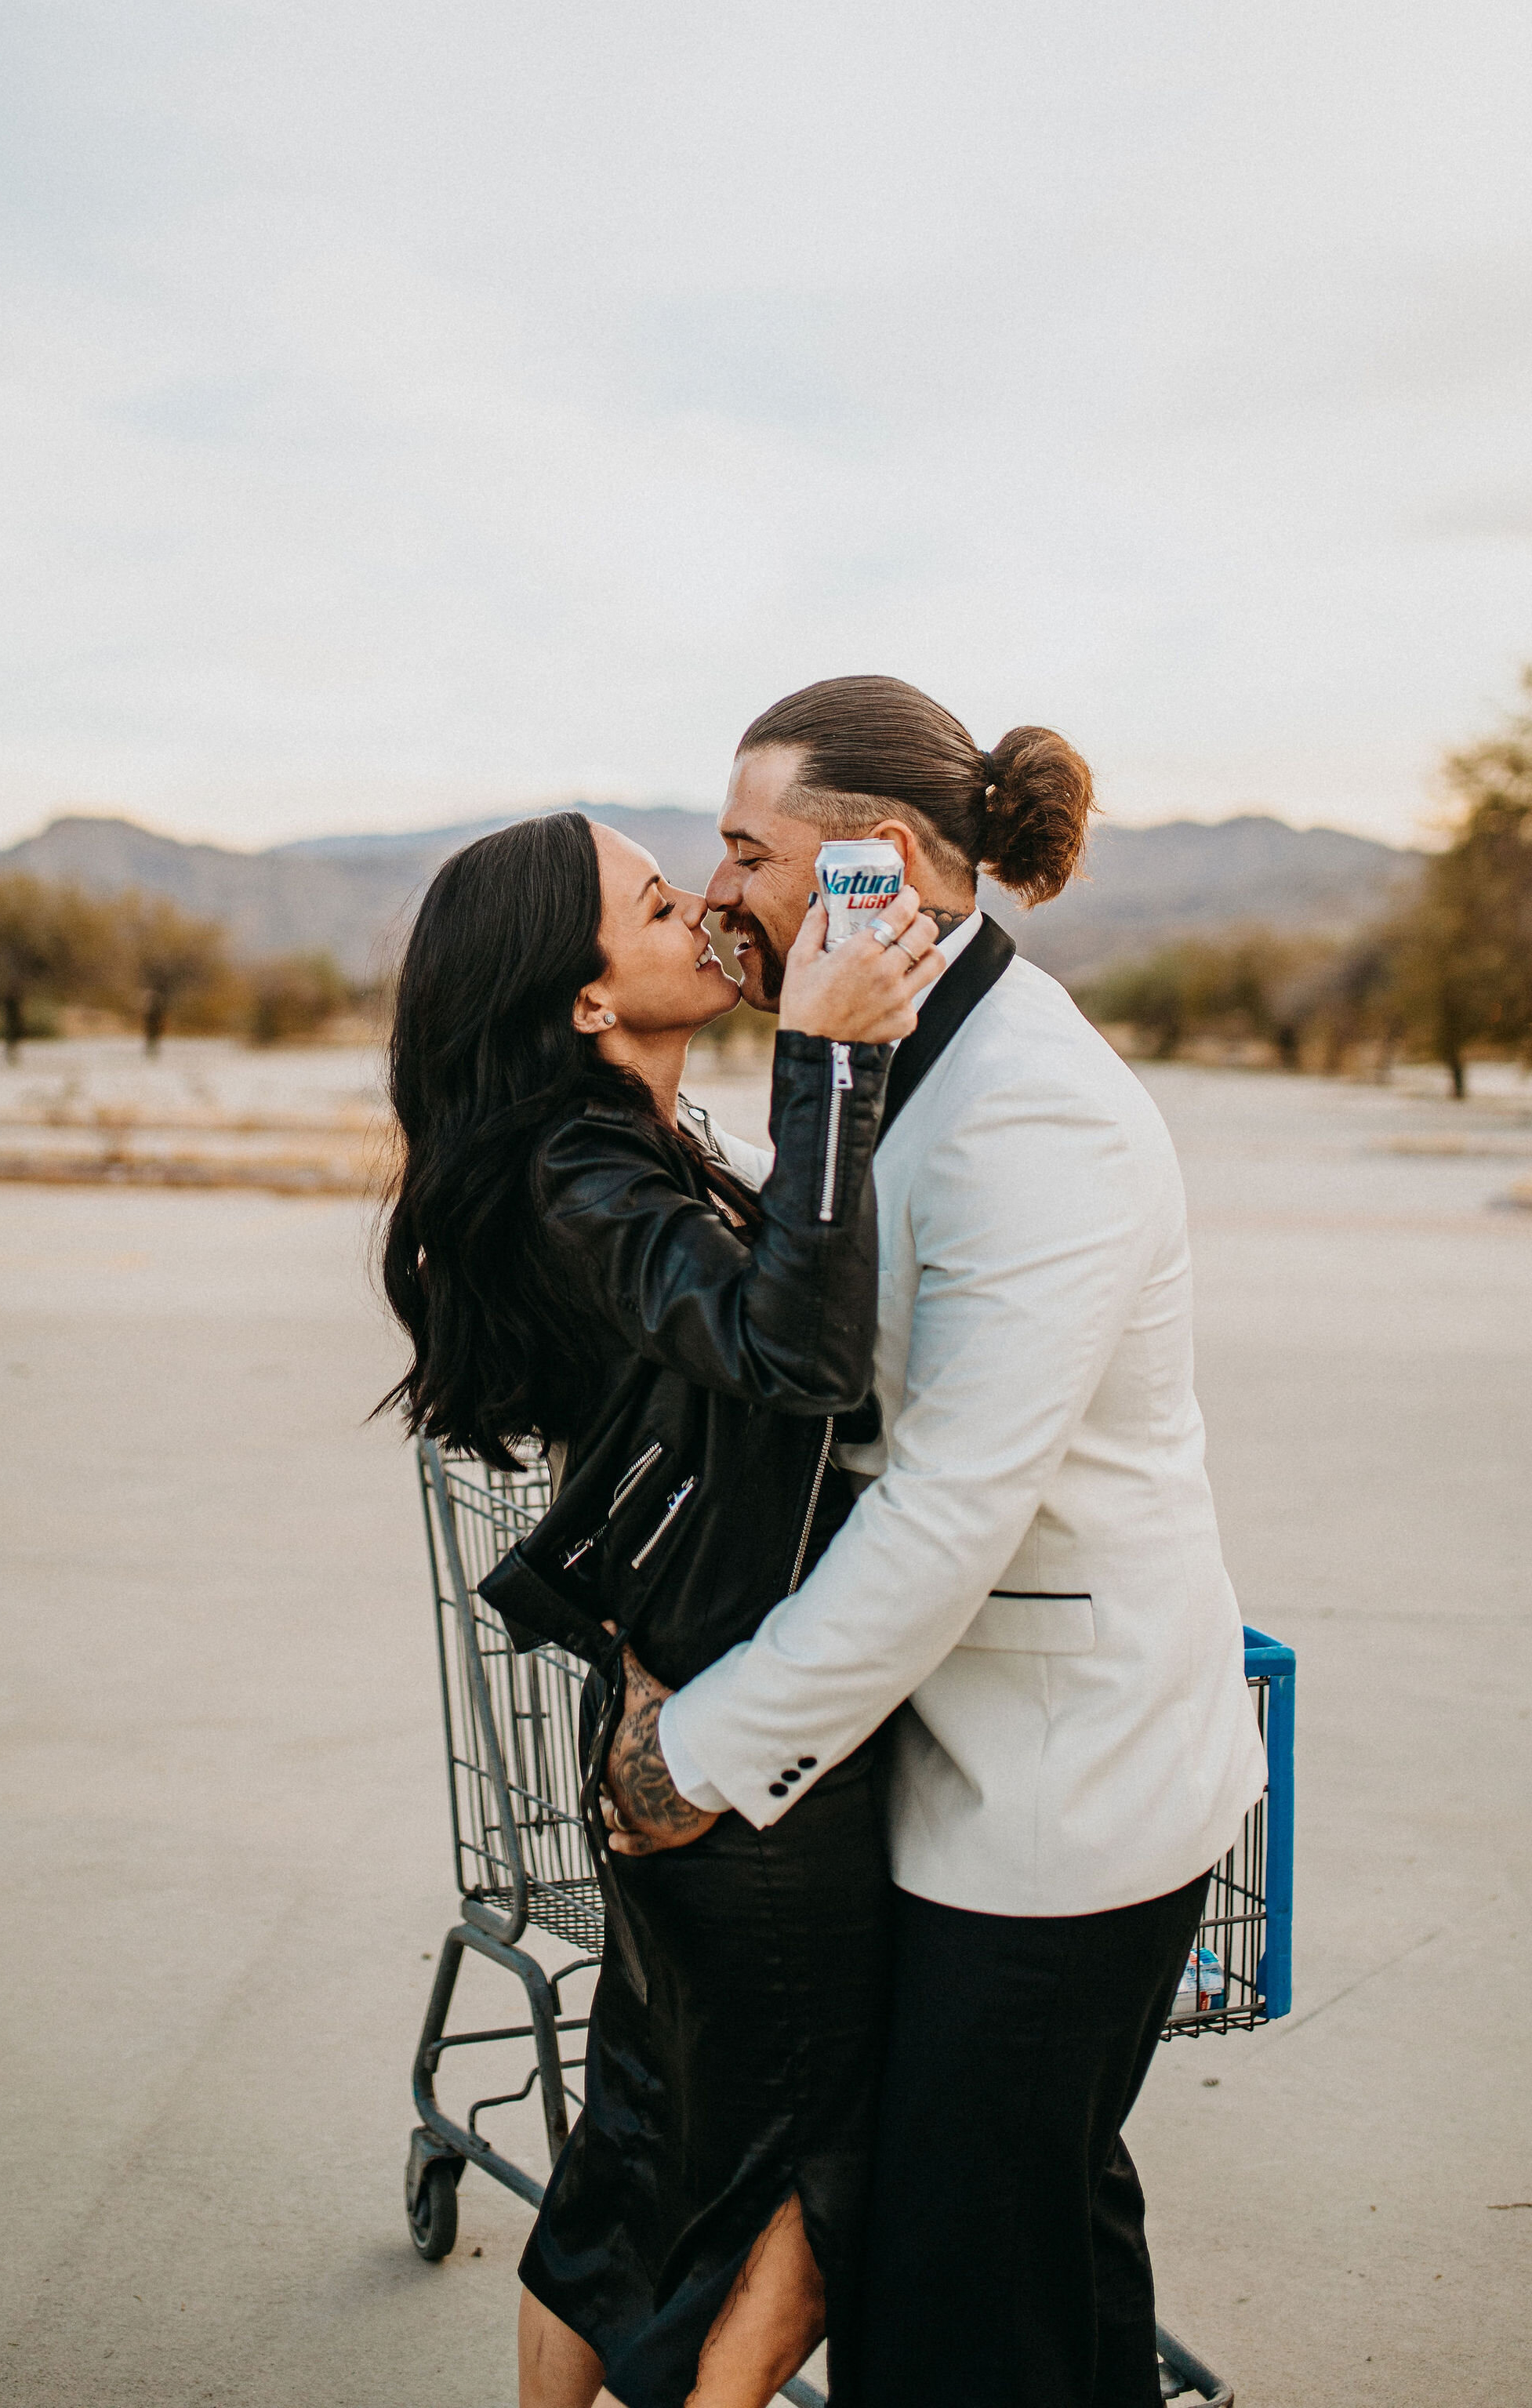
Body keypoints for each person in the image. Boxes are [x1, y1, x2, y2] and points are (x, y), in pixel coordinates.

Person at [604, 676, 1270, 2408]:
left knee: (954, 2289)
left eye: (748, 851)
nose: (721, 886)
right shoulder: (887, 1045)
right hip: (959, 1754)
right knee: (1026, 2225)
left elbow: (950, 1505)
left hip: (1062, 1791)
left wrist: (699, 1749)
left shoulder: (1035, 1110)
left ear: (876, 860)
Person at [378, 807, 943, 2408]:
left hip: (687, 1705)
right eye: (652, 898)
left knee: (633, 2142)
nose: (700, 903)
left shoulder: (636, 1153)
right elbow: (796, 1358)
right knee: (832, 2161)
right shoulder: (577, 1175)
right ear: (580, 999)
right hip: (742, 1750)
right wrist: (826, 1060)